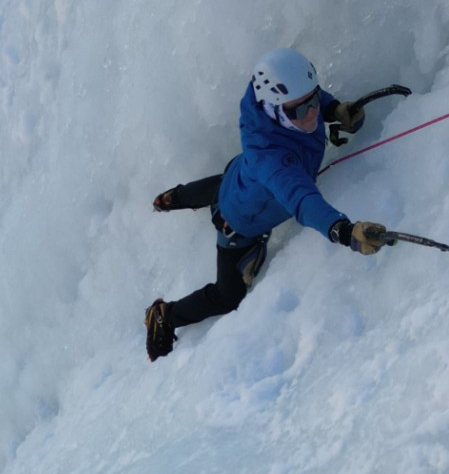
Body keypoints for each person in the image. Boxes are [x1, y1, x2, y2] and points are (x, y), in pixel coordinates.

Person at [144, 48, 389, 361]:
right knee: (227, 296)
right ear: (273, 110)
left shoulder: (273, 105)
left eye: (313, 102)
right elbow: (301, 198)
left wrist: (333, 108)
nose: (311, 115)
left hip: (242, 178)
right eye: (299, 111)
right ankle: (165, 315)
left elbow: (307, 97)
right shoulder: (273, 161)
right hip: (239, 227)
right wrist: (344, 230)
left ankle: (173, 198)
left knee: (227, 185)